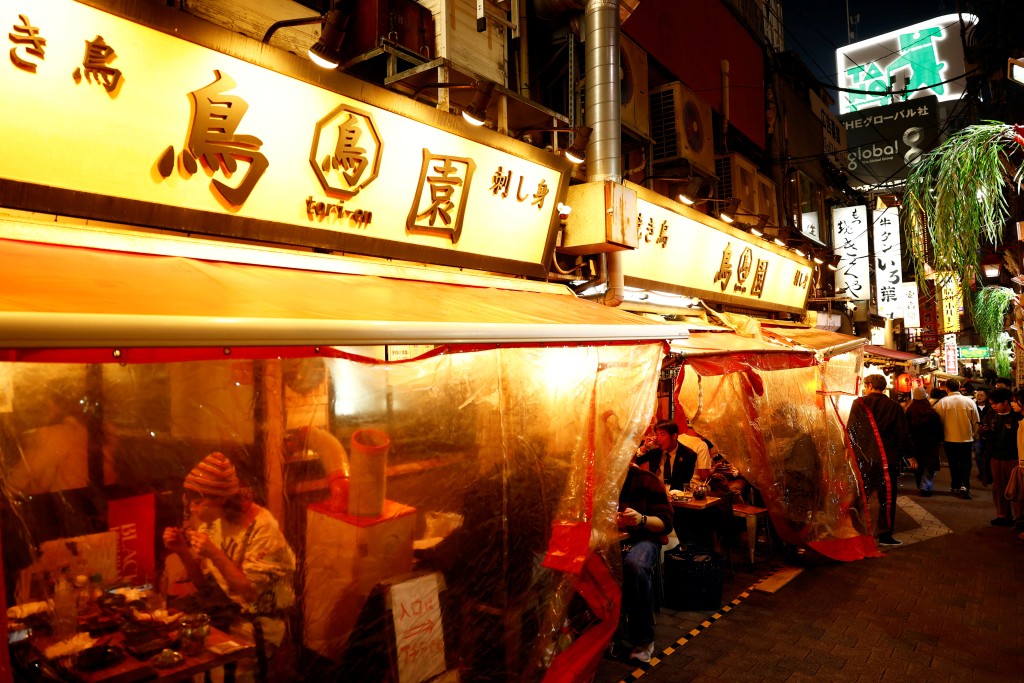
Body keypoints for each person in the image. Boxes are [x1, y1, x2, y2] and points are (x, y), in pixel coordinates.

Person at [163, 453, 296, 681]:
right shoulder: (213, 521)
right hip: (223, 613)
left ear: (221, 499)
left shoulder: (263, 529)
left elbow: (249, 591)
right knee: (183, 657)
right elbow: (204, 586)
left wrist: (214, 553)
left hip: (255, 624)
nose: (193, 510)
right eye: (190, 502)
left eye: (198, 502)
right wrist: (182, 551)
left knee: (219, 675)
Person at [609, 463, 673, 664]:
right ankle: (606, 633)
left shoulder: (646, 480)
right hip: (611, 540)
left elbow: (666, 524)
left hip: (644, 538)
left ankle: (643, 640)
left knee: (634, 565)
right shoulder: (603, 480)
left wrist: (641, 519)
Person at [847, 373, 914, 547]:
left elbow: (851, 430)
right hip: (887, 459)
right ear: (883, 387)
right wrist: (910, 455)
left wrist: (850, 451)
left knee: (863, 491)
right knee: (887, 497)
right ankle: (884, 536)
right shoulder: (894, 407)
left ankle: (855, 523)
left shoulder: (858, 404)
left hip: (864, 458)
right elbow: (903, 434)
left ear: (869, 386)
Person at [933, 378, 981, 499]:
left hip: (949, 439)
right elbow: (976, 421)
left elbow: (937, 422)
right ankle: (964, 485)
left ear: (947, 388)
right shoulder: (969, 402)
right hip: (966, 438)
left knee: (953, 463)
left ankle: (955, 485)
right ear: (959, 387)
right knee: (966, 462)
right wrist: (976, 436)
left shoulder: (942, 403)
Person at [982, 388, 1022, 527]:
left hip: (1013, 457)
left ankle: (1019, 518)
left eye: (995, 403)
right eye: (991, 403)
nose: (993, 406)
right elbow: (986, 432)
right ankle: (1002, 515)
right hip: (995, 456)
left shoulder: (1017, 416)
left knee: (1016, 488)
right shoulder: (991, 414)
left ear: (1006, 402)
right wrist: (984, 431)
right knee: (998, 487)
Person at [904, 387, 943, 497]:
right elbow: (938, 429)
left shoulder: (909, 412)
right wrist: (939, 440)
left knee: (919, 466)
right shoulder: (932, 413)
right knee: (929, 465)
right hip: (931, 443)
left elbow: (906, 430)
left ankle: (922, 486)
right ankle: (926, 486)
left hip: (915, 444)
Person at [974, 387, 993, 486]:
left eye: (982, 395)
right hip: (977, 435)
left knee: (988, 455)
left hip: (989, 435)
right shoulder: (973, 405)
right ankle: (982, 473)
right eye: (978, 395)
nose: (979, 397)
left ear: (986, 396)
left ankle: (987, 474)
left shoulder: (990, 407)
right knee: (978, 452)